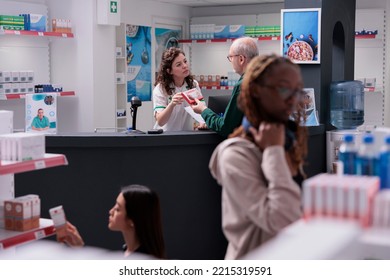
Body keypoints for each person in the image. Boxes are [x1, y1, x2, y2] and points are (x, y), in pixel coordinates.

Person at [208, 54, 308, 259]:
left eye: (296, 91)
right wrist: (273, 151)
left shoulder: (283, 139)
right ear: (255, 91)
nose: (292, 98)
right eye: (283, 88)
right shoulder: (234, 155)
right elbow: (283, 219)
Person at [58, 184, 165, 259]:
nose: (110, 211)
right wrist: (79, 247)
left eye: (118, 209)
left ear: (132, 220)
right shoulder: (128, 251)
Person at [191, 37, 258, 138]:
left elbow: (226, 128)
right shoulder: (263, 78)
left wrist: (203, 110)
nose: (230, 61)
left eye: (230, 57)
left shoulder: (243, 85)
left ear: (241, 59)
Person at [153, 47, 204, 131]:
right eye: (178, 64)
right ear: (169, 71)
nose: (184, 66)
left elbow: (201, 109)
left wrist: (202, 122)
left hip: (186, 135)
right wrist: (172, 104)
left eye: (185, 61)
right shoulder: (160, 89)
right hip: (165, 136)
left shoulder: (193, 84)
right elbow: (160, 121)